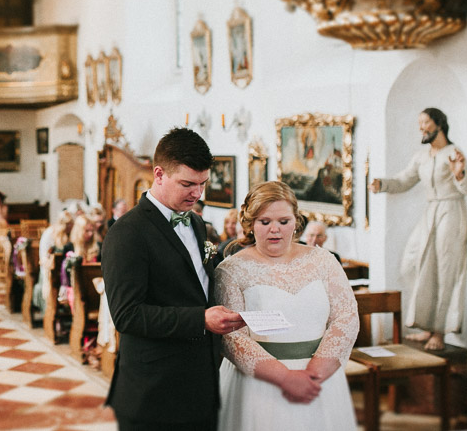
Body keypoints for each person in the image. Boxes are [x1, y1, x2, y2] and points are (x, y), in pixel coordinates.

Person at [101, 127, 244, 430]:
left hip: (201, 383)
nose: (197, 193)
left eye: (203, 184)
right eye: (187, 184)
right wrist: (201, 319)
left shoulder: (196, 224)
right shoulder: (127, 233)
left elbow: (198, 287)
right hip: (153, 390)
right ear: (159, 174)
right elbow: (127, 316)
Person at [217, 181, 358, 430]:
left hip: (319, 379)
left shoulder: (324, 261)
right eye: (265, 222)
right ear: (250, 224)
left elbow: (346, 317)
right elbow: (232, 337)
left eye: (284, 221)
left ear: (296, 222)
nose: (275, 230)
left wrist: (313, 374)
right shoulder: (231, 270)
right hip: (258, 384)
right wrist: (285, 378)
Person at [369, 107, 467, 351]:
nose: (421, 127)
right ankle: (425, 324)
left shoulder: (453, 153)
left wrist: (459, 174)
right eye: (419, 123)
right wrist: (383, 184)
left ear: (439, 125)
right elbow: (405, 180)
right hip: (430, 213)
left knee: (445, 271)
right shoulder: (422, 156)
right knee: (412, 264)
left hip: (451, 211)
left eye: (425, 122)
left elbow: (466, 189)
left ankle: (440, 331)